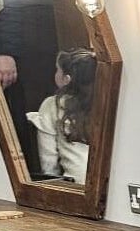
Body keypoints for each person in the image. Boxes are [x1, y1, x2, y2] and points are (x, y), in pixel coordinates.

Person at [28, 48, 95, 183]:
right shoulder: (103, 103)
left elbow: (48, 161)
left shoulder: (52, 105)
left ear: (66, 79)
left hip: (75, 184)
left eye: (57, 69)